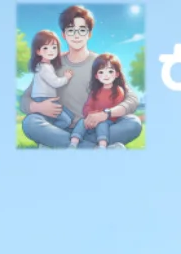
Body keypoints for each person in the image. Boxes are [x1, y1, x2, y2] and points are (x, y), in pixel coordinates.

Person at [20, 5, 142, 150]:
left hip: (96, 128)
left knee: (133, 123)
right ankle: (96, 147)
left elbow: (132, 98)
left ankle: (62, 145)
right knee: (30, 122)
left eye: (82, 30)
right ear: (64, 35)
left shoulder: (103, 63)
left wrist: (106, 114)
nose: (76, 35)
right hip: (60, 127)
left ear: (89, 34)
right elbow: (26, 98)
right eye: (71, 30)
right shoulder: (50, 64)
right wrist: (37, 106)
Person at [68, 54, 133, 149]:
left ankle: (102, 146)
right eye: (101, 72)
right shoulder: (95, 92)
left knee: (103, 125)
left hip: (108, 121)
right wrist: (91, 117)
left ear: (117, 74)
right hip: (92, 120)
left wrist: (100, 117)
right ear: (96, 76)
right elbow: (87, 107)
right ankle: (73, 143)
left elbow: (116, 110)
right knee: (82, 121)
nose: (106, 75)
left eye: (110, 71)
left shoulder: (118, 90)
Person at [28, 31, 75, 135]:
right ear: (38, 51)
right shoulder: (45, 67)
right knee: (65, 120)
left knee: (70, 115)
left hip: (46, 97)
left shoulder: (43, 64)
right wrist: (66, 78)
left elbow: (52, 55)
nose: (51, 51)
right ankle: (48, 135)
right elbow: (55, 83)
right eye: (45, 48)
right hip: (44, 99)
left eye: (54, 47)